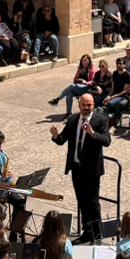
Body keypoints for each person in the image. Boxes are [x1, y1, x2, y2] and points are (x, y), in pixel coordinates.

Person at [52, 92, 111, 242]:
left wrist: (92, 133)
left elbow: (106, 140)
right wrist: (55, 135)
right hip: (76, 168)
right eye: (84, 105)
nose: (86, 108)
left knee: (93, 201)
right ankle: (87, 231)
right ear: (79, 105)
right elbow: (61, 140)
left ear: (94, 105)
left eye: (89, 105)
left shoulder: (100, 120)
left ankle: (97, 232)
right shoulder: (72, 119)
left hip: (92, 170)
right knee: (82, 201)